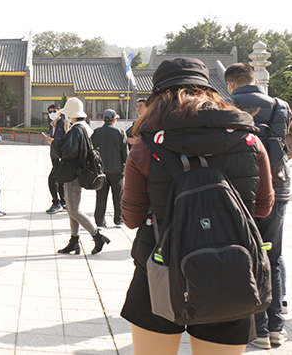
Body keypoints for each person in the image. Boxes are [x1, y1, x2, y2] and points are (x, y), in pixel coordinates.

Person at [121, 57, 274, 355]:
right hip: (231, 267)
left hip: (159, 267)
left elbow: (131, 217)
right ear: (211, 90)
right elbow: (264, 208)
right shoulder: (248, 139)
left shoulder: (146, 144)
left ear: (158, 96)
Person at [225, 62, 292, 349]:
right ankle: (276, 328)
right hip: (277, 189)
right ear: (255, 80)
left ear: (231, 83)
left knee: (245, 256)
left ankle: (258, 330)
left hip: (240, 191)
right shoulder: (281, 106)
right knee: (272, 257)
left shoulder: (225, 105)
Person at [52, 97, 110, 255]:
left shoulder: (76, 129)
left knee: (74, 211)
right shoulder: (85, 127)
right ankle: (74, 241)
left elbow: (69, 151)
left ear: (71, 113)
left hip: (73, 174)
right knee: (72, 210)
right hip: (79, 172)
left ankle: (97, 236)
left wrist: (56, 142)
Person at [91, 109, 128, 228]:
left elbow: (92, 151)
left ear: (104, 119)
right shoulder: (120, 132)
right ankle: (118, 220)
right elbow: (125, 153)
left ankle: (100, 222)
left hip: (100, 170)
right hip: (117, 170)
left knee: (101, 196)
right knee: (118, 196)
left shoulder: (96, 132)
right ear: (115, 120)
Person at [45, 104, 67, 213]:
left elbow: (64, 139)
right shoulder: (52, 125)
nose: (52, 113)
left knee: (52, 179)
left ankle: (56, 203)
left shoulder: (63, 123)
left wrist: (54, 141)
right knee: (60, 180)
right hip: (54, 155)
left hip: (61, 156)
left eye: (54, 111)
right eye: (50, 112)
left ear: (59, 112)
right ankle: (63, 202)